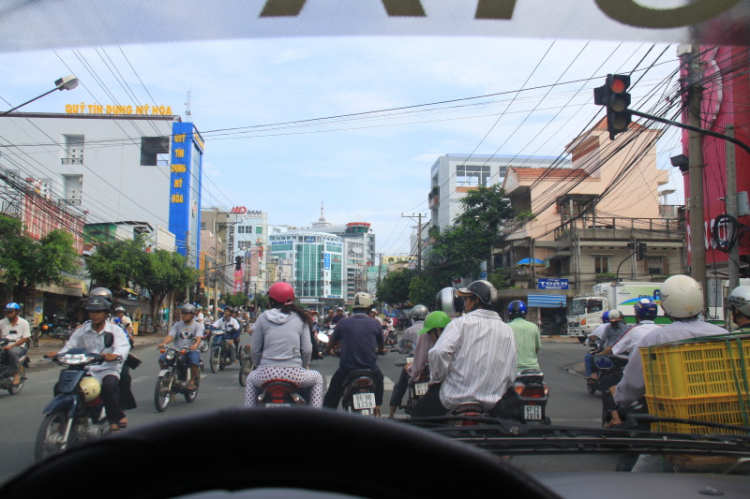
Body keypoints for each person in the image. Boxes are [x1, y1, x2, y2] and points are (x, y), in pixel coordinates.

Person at [608, 275, 730, 426]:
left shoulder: (654, 339)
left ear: (665, 307)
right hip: (723, 410)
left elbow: (634, 384)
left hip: (670, 415)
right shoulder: (723, 335)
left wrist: (619, 396)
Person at [412, 280, 517, 417]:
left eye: (467, 299)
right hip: (491, 403)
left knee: (416, 421)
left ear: (476, 301)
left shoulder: (459, 324)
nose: (465, 303)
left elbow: (439, 352)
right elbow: (511, 373)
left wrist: (436, 379)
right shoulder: (507, 330)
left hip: (452, 398)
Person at [46, 296, 131, 432]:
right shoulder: (81, 331)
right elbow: (70, 346)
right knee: (61, 387)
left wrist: (114, 355)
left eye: (98, 312)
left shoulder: (115, 331)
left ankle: (113, 418)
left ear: (105, 313)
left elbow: (123, 347)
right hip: (85, 368)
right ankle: (62, 417)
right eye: (92, 312)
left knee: (109, 387)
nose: (95, 315)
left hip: (106, 369)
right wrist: (58, 354)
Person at [246, 282, 323, 407]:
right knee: (317, 378)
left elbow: (255, 350)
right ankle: (314, 417)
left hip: (266, 374)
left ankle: (248, 418)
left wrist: (261, 366)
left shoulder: (262, 317)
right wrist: (302, 366)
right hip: (295, 374)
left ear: (271, 300)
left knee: (250, 379)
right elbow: (307, 349)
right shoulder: (300, 318)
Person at [323, 292, 385, 414]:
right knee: (380, 379)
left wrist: (327, 351)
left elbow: (332, 342)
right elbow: (381, 343)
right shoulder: (375, 323)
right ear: (369, 308)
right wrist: (381, 350)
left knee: (332, 394)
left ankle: (326, 417)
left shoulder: (343, 322)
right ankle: (377, 406)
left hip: (347, 368)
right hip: (370, 368)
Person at [387, 311, 450, 418]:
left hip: (432, 376)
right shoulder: (450, 336)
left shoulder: (422, 334)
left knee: (401, 384)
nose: (429, 335)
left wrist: (412, 376)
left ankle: (391, 413)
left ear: (438, 330)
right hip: (445, 381)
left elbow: (418, 361)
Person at [157, 304, 204, 391]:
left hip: (190, 350)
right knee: (162, 359)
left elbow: (198, 338)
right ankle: (167, 378)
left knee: (194, 363)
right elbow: (171, 336)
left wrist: (195, 345)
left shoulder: (197, 326)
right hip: (177, 350)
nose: (184, 315)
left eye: (186, 313)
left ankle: (192, 381)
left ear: (192, 314)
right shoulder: (177, 325)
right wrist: (163, 343)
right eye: (183, 313)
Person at [0, 302, 30, 385]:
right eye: (7, 312)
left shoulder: (24, 323)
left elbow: (25, 338)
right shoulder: (2, 322)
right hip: (3, 345)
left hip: (18, 346)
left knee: (11, 352)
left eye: (11, 312)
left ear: (16, 312)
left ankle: (16, 374)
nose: (9, 314)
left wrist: (11, 346)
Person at [507, 300, 541, 372]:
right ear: (525, 313)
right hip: (534, 370)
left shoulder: (506, 328)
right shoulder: (534, 327)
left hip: (513, 370)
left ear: (510, 314)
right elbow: (537, 348)